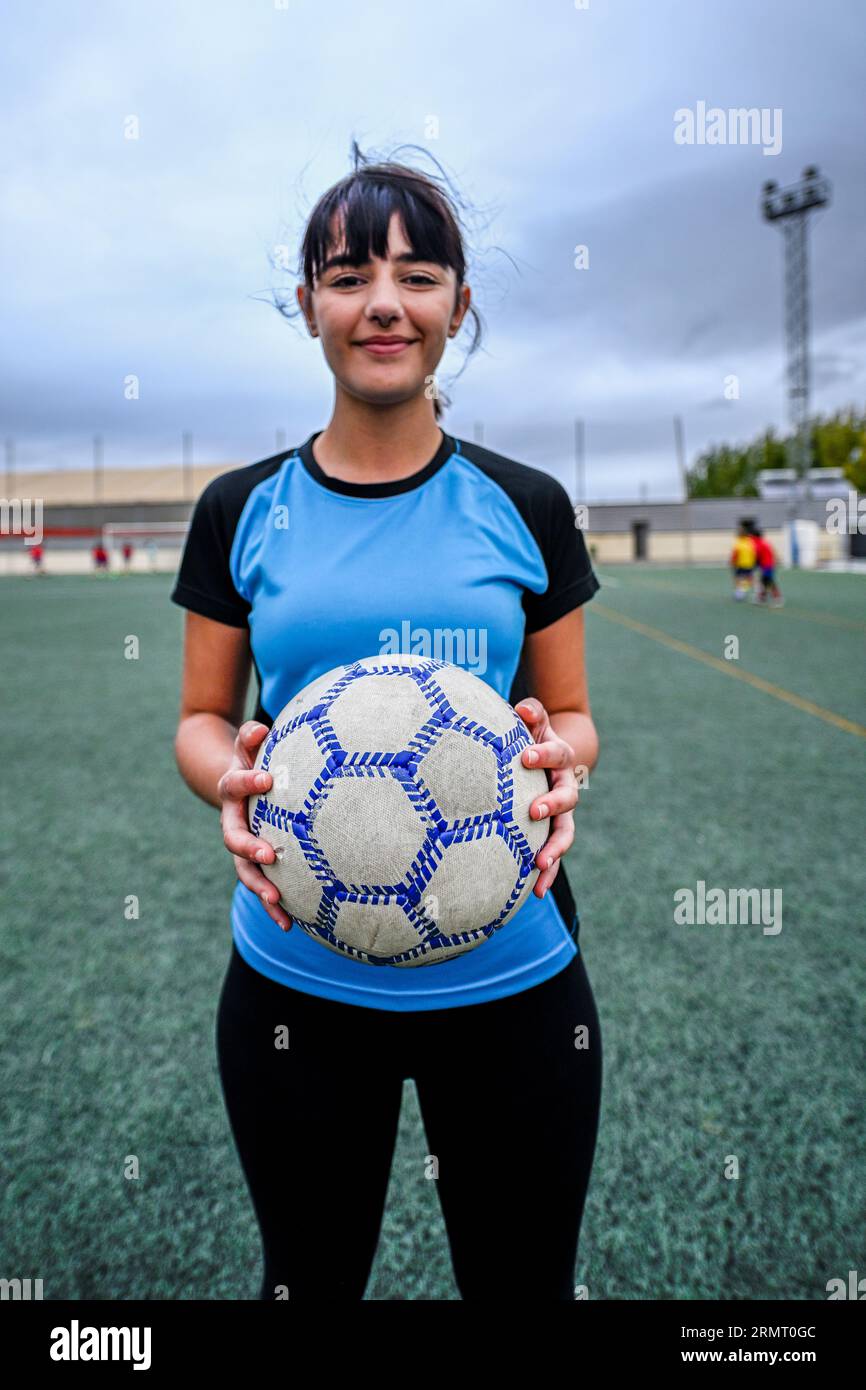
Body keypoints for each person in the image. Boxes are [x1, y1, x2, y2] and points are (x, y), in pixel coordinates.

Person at [172, 143, 603, 1302]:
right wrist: (228, 777)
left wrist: (565, 757)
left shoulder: (523, 505)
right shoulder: (239, 510)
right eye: (348, 272)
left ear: (458, 306)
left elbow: (566, 712)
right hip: (294, 980)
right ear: (308, 301)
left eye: (417, 276)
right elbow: (203, 720)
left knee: (522, 1290)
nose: (382, 304)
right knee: (305, 1283)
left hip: (511, 974)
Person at [750, 526, 783, 607]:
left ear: (754, 535)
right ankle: (762, 598)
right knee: (764, 581)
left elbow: (757, 556)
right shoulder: (763, 542)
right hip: (768, 565)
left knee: (769, 582)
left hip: (767, 566)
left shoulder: (758, 543)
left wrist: (753, 565)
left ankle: (778, 599)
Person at [730, 523, 756, 600]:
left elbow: (735, 554)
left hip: (741, 564)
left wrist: (732, 562)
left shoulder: (739, 543)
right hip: (750, 564)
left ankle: (740, 592)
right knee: (749, 579)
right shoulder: (751, 541)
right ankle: (746, 591)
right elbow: (754, 552)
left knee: (738, 578)